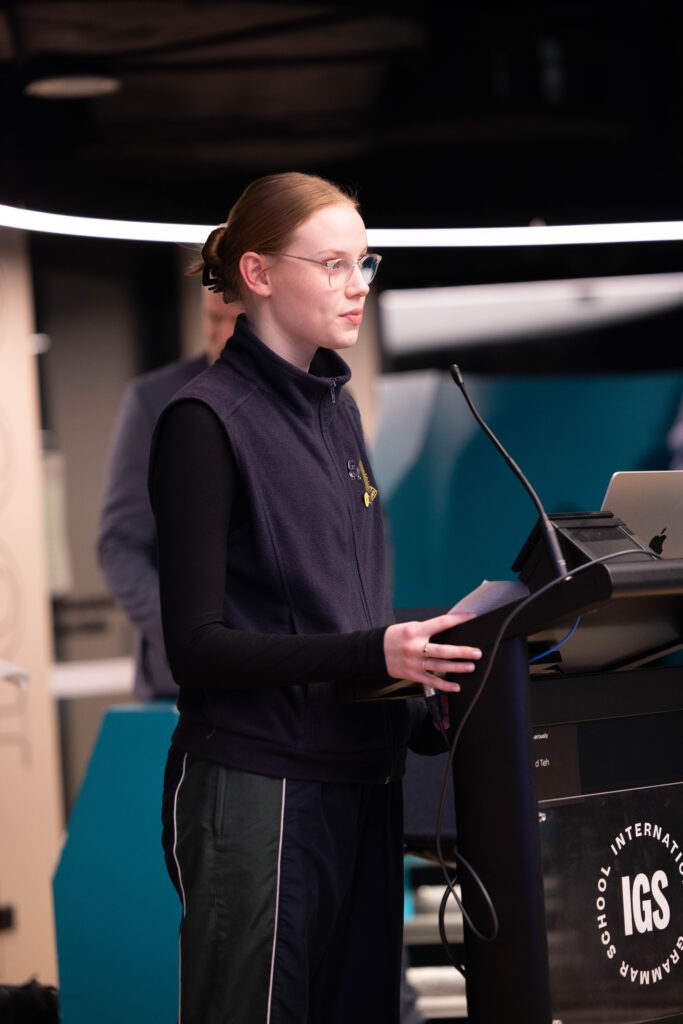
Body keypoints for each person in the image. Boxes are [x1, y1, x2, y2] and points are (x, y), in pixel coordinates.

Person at [148, 171, 482, 1024]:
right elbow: (196, 646)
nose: (357, 284)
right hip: (259, 786)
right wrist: (376, 650)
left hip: (361, 776)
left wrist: (423, 690)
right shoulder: (203, 421)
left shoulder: (337, 412)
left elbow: (340, 608)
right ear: (258, 274)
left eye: (363, 262)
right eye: (332, 264)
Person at [97, 287, 242, 699]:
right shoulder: (154, 400)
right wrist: (189, 636)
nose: (223, 335)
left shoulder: (327, 401)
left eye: (237, 321)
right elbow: (119, 546)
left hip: (293, 674)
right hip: (183, 682)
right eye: (213, 318)